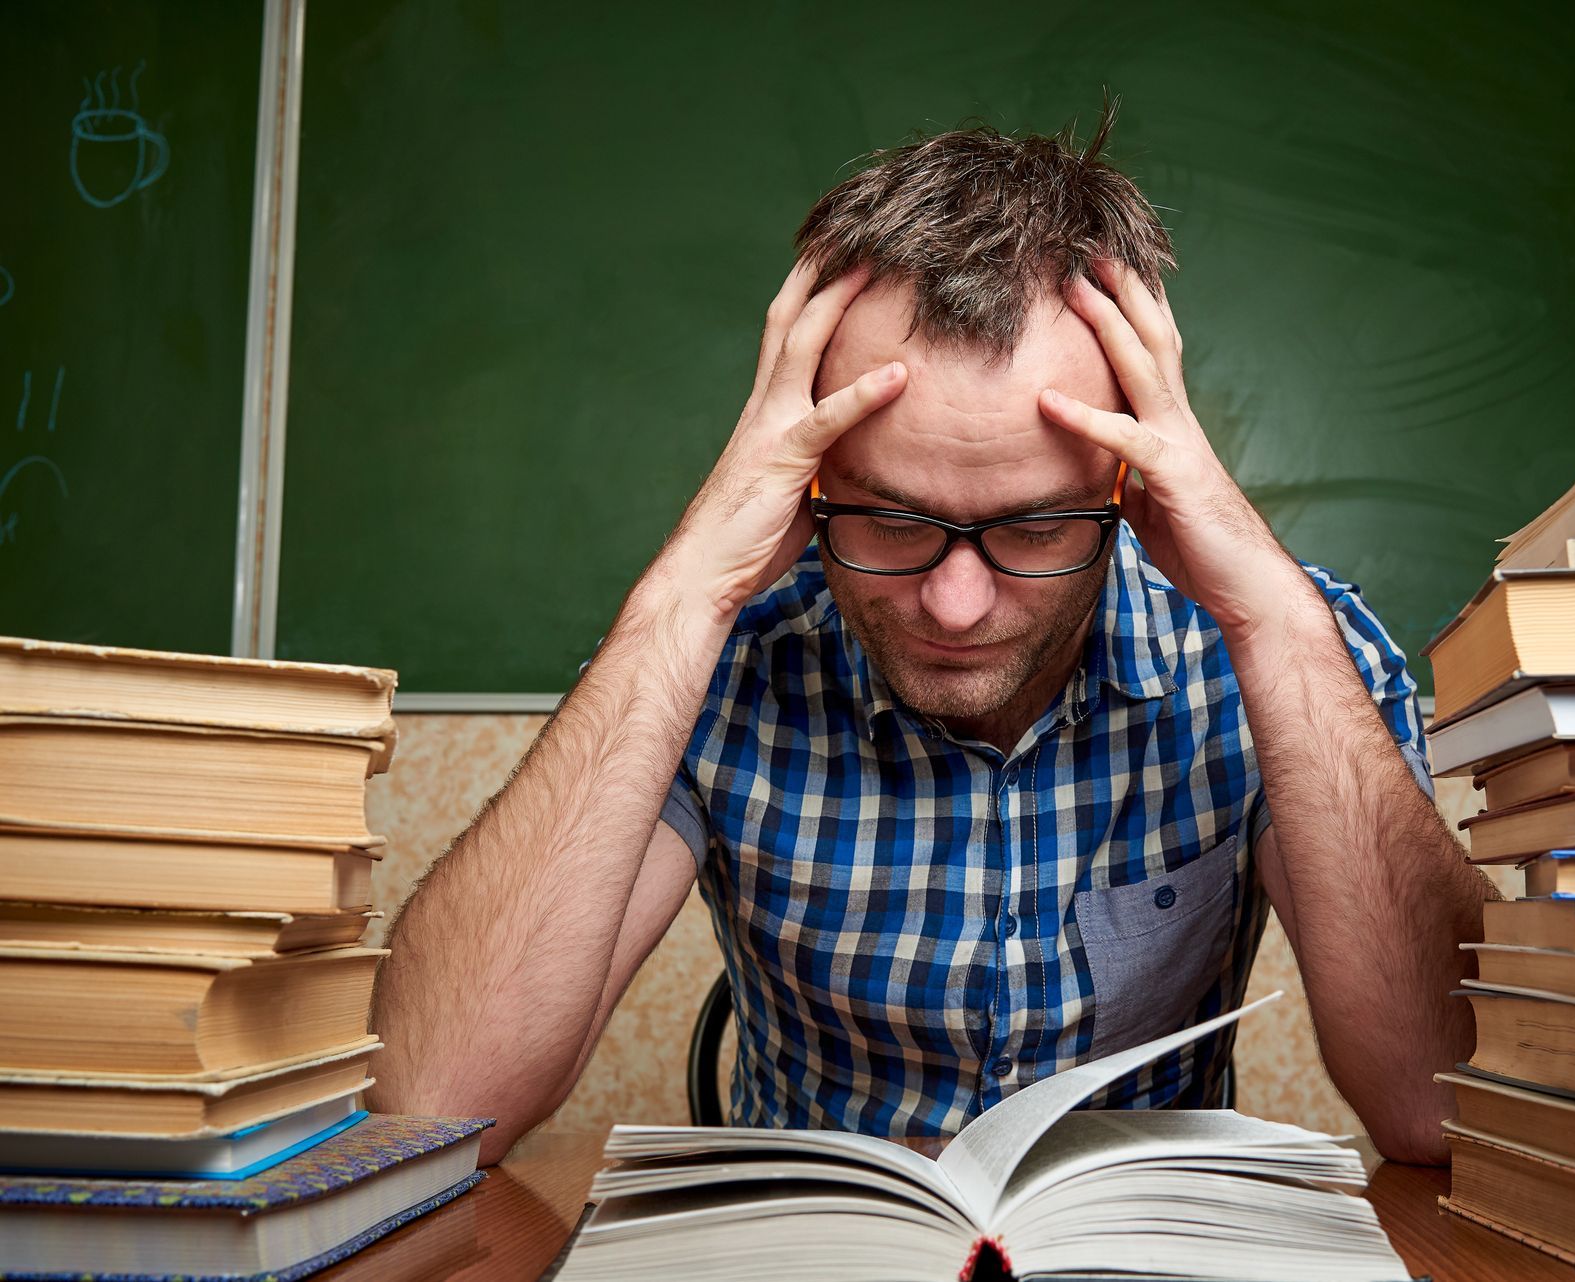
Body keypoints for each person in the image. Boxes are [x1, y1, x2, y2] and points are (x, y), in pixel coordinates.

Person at [369, 108, 1495, 1168]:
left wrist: (1270, 616)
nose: (956, 606)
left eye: (1038, 523)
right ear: (807, 474)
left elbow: (1436, 1103)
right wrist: (685, 591)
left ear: (1130, 479)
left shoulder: (1281, 659)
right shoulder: (716, 662)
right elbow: (434, 1105)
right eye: (891, 517)